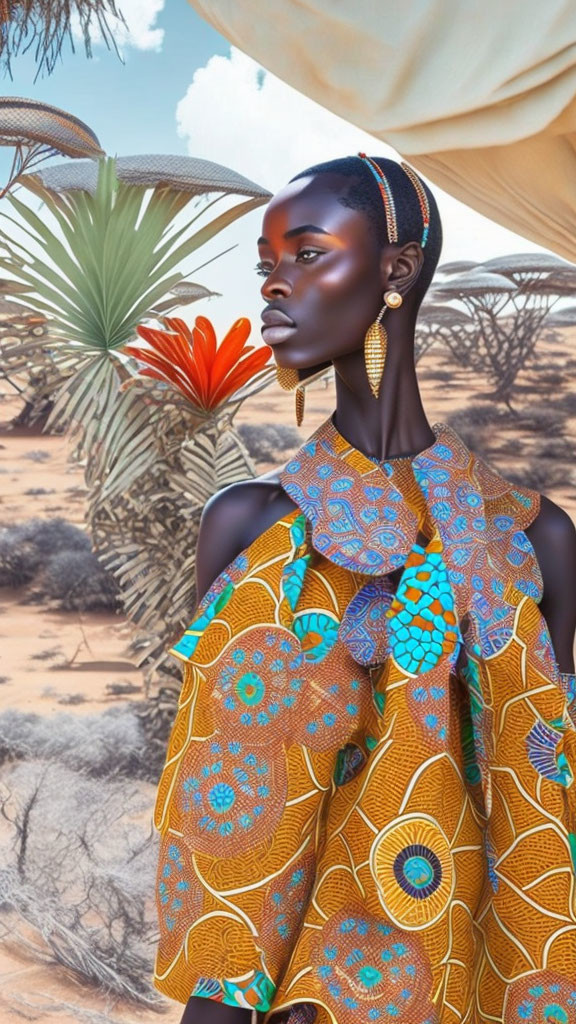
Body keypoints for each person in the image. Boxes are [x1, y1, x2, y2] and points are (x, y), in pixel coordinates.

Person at [152, 154, 576, 1024]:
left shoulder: (534, 540)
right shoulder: (253, 528)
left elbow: (542, 815)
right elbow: (229, 847)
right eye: (266, 262)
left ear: (397, 270)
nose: (275, 285)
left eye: (308, 254)